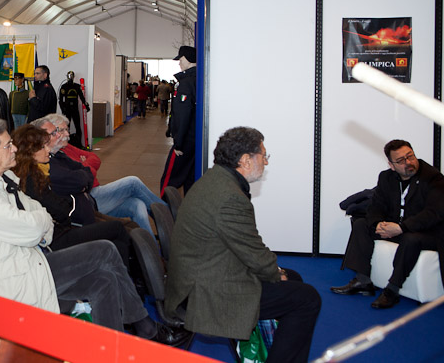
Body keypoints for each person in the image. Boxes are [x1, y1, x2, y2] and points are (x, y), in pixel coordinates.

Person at [0, 118, 187, 345]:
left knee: (103, 280)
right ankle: (145, 326)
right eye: (7, 145)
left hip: (32, 262)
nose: (14, 148)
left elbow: (39, 215)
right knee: (105, 249)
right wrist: (40, 223)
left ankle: (113, 347)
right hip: (15, 278)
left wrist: (39, 223)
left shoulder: (3, 179)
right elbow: (36, 226)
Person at [165, 127, 321, 363]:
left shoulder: (216, 179)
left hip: (201, 275)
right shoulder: (230, 197)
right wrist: (276, 273)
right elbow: (254, 253)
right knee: (307, 298)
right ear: (245, 160)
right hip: (206, 292)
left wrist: (276, 272)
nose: (266, 162)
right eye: (263, 155)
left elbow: (246, 246)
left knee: (294, 280)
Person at [331, 139, 444, 309]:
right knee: (362, 224)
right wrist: (377, 224)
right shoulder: (386, 177)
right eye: (401, 161)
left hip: (427, 233)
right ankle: (363, 280)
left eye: (410, 156)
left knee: (410, 239)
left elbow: (433, 214)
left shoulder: (433, 178)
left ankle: (392, 290)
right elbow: (375, 206)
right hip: (396, 228)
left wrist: (401, 228)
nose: (408, 163)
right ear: (392, 165)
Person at [11, 124, 130, 265]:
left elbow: (85, 172)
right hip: (59, 236)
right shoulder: (31, 178)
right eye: (43, 147)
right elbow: (61, 209)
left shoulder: (38, 171)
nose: (48, 149)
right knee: (118, 227)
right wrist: (73, 195)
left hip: (65, 226)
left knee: (122, 236)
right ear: (30, 151)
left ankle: (136, 278)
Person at [36, 114, 167, 235]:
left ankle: (151, 250)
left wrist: (84, 169)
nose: (65, 134)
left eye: (65, 130)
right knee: (133, 182)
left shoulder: (65, 149)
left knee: (138, 204)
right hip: (91, 198)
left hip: (93, 194)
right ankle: (166, 213)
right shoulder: (54, 158)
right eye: (60, 131)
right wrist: (83, 171)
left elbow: (94, 160)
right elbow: (81, 178)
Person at [160, 45, 197, 196]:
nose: (179, 63)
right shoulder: (198, 80)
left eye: (181, 59)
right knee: (191, 180)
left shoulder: (186, 83)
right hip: (195, 140)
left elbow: (182, 115)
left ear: (188, 60)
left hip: (185, 141)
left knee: (169, 182)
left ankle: (164, 214)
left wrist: (178, 143)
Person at [58, 71, 89, 146]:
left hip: (75, 108)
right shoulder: (64, 86)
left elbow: (82, 97)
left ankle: (79, 144)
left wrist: (86, 105)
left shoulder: (77, 86)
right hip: (67, 109)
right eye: (69, 76)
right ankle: (66, 144)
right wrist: (63, 110)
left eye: (71, 76)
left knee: (78, 126)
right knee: (66, 127)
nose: (70, 78)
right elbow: (60, 100)